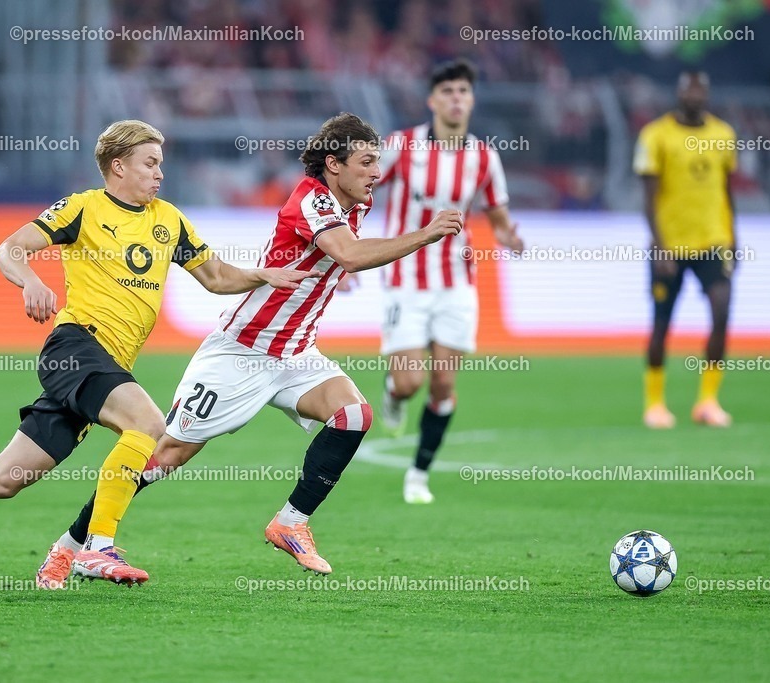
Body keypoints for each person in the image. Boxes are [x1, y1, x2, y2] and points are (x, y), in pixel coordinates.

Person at [0, 120, 318, 585]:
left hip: (106, 368)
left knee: (3, 480)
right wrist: (31, 281)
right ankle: (97, 547)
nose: (160, 173)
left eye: (160, 163)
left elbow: (216, 278)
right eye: (149, 163)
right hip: (77, 348)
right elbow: (9, 249)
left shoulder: (168, 220)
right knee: (149, 425)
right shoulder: (84, 208)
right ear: (118, 166)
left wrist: (262, 274)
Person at [35, 113, 464, 588]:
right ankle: (70, 546)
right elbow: (349, 254)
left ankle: (291, 522)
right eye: (366, 162)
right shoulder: (313, 198)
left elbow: (332, 256)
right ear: (333, 164)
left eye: (377, 163)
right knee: (166, 455)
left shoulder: (352, 204)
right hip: (242, 352)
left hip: (295, 352)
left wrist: (330, 277)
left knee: (353, 416)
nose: (376, 173)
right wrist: (426, 233)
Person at [375, 59, 524, 504]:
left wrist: (508, 236)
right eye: (448, 91)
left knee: (443, 384)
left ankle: (418, 474)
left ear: (471, 100)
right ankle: (393, 392)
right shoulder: (400, 146)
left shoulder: (484, 157)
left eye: (463, 91)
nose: (456, 99)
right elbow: (360, 190)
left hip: (456, 281)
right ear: (432, 100)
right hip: (404, 277)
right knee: (409, 383)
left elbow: (497, 214)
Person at [635, 71, 737, 429]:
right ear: (678, 94)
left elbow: (726, 190)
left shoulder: (723, 134)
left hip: (713, 241)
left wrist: (733, 237)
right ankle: (655, 403)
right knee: (662, 323)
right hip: (670, 245)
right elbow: (648, 199)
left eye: (700, 90)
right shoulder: (656, 135)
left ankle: (708, 401)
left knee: (721, 312)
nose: (695, 95)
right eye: (689, 90)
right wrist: (660, 246)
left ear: (707, 94)